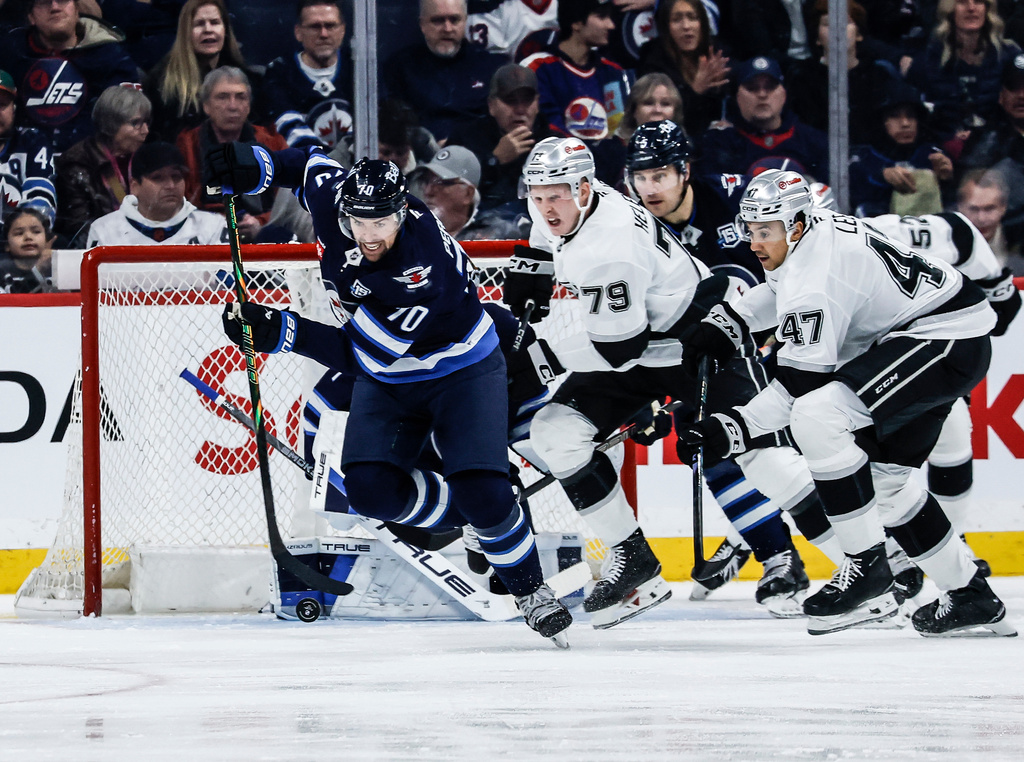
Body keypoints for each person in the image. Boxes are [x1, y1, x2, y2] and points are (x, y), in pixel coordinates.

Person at [206, 142, 573, 645]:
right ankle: (476, 516)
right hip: (393, 378)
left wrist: (279, 331)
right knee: (370, 491)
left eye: (382, 223)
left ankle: (531, 590)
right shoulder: (334, 197)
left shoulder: (417, 268)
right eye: (360, 223)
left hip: (460, 370)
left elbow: (364, 356)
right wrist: (252, 164)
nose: (370, 234)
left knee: (484, 491)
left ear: (402, 212)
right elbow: (309, 160)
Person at [677, 169, 1016, 637]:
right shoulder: (811, 237)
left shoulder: (816, 275)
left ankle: (868, 572)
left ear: (796, 224)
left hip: (943, 339)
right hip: (942, 332)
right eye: (750, 230)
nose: (754, 243)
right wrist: (728, 320)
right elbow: (778, 292)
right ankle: (971, 596)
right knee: (888, 485)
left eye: (766, 231)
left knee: (818, 415)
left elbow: (799, 385)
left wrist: (731, 428)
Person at [503, 136, 821, 627]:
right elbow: (549, 233)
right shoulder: (583, 200)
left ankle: (874, 562)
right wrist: (536, 263)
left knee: (763, 459)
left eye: (557, 195)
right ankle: (635, 562)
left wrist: (536, 362)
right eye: (538, 194)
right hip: (648, 346)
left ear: (584, 188)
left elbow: (616, 350)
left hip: (700, 343)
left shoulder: (608, 248)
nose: (547, 206)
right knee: (556, 432)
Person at [624, 119, 847, 604]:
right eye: (640, 177)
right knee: (718, 439)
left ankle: (797, 550)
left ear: (684, 170)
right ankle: (774, 551)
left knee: (766, 441)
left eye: (660, 174)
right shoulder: (630, 227)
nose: (649, 188)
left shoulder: (732, 196)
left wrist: (780, 327)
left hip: (779, 332)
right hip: (701, 345)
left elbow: (807, 233)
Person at [0, 0, 141, 153]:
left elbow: (126, 120)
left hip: (92, 162)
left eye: (62, 0)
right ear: (31, 17)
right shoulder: (10, 53)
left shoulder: (110, 56)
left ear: (77, 11)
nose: (54, 7)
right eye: (44, 2)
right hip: (17, 162)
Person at [521, 0, 631, 183]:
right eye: (601, 17)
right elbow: (547, 132)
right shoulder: (537, 68)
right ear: (576, 23)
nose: (611, 25)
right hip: (555, 177)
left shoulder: (613, 73)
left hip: (608, 181)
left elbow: (619, 133)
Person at [176, 67, 287, 242]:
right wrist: (216, 224)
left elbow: (289, 204)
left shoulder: (273, 143)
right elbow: (178, 206)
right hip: (202, 239)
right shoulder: (187, 145)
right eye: (223, 97)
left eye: (240, 97)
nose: (233, 106)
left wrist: (260, 222)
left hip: (263, 237)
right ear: (206, 106)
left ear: (249, 105)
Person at [383, 0, 506, 144]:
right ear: (422, 24)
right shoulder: (400, 67)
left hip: (478, 156)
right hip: (419, 156)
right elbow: (394, 124)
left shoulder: (491, 68)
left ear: (465, 22)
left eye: (454, 20)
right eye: (437, 21)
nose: (447, 28)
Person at [698, 56, 829, 181]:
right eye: (752, 88)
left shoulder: (815, 142)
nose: (762, 94)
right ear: (738, 97)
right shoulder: (719, 144)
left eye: (770, 87)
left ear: (783, 94)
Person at [907, 0, 1020, 138]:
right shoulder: (928, 60)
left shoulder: (1009, 55)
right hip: (941, 145)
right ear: (950, 10)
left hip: (999, 144)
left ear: (987, 9)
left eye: (978, 2)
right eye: (962, 2)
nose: (971, 8)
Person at [145, 0, 254, 143]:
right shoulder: (161, 82)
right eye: (199, 24)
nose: (208, 29)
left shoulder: (246, 78)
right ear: (185, 32)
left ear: (225, 29)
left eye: (215, 22)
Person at [54, 85, 151, 245]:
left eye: (146, 122)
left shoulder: (148, 157)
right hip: (101, 250)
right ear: (111, 124)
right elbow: (79, 228)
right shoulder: (77, 162)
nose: (145, 130)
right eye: (136, 123)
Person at [84, 141, 228, 247]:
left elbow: (230, 285)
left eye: (176, 177)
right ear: (135, 187)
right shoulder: (104, 230)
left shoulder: (213, 226)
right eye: (157, 178)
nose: (171, 186)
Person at [447, 63, 547, 213]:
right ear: (491, 105)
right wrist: (494, 161)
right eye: (510, 100)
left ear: (537, 104)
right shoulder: (465, 139)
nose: (520, 110)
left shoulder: (553, 144)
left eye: (527, 100)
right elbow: (445, 193)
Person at [849, 80, 954, 217]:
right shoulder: (863, 158)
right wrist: (882, 176)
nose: (905, 124)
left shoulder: (932, 155)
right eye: (894, 116)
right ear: (881, 121)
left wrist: (947, 180)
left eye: (911, 116)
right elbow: (853, 194)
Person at [261, 0, 353, 150]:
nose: (323, 34)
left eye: (330, 26)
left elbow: (377, 122)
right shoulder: (280, 73)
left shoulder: (357, 67)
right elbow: (287, 129)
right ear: (298, 32)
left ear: (342, 30)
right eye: (315, 27)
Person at [635, 0, 731, 138]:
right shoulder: (653, 63)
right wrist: (694, 91)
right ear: (666, 26)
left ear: (702, 23)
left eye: (692, 18)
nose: (686, 26)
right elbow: (658, 121)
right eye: (676, 20)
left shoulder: (718, 54)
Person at [409, 145, 524, 241]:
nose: (428, 192)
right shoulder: (412, 231)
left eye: (441, 183)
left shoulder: (497, 235)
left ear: (468, 194)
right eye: (426, 182)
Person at [0, 68, 56, 237]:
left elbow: (42, 200)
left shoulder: (32, 141)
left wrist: (21, 237)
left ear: (14, 109)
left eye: (2, 105)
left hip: (22, 246)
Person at [957, 168, 1024, 273]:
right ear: (960, 207)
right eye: (974, 209)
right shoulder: (946, 246)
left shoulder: (1019, 242)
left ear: (1003, 207)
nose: (981, 218)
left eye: (989, 209)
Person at [0, 205, 55, 293]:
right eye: (19, 233)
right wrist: (37, 270)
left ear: (47, 240)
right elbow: (20, 303)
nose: (28, 237)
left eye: (36, 232)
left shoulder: (59, 269)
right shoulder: (1, 271)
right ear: (7, 245)